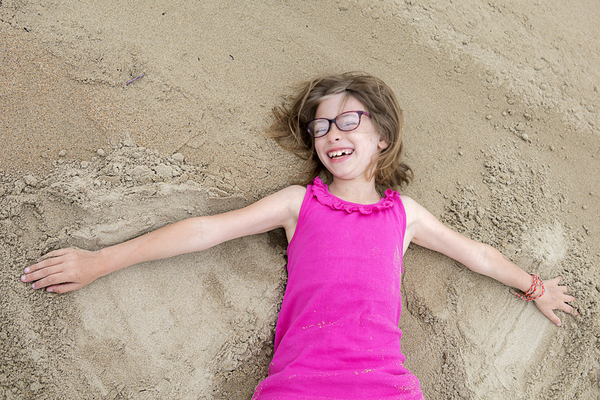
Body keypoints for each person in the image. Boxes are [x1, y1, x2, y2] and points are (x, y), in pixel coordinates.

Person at [20, 72, 579, 399]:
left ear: (383, 135)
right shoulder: (298, 204)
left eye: (349, 121)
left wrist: (533, 286)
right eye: (320, 126)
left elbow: (476, 254)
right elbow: (205, 232)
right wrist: (101, 261)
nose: (332, 134)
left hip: (385, 386)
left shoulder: (404, 215)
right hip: (301, 384)